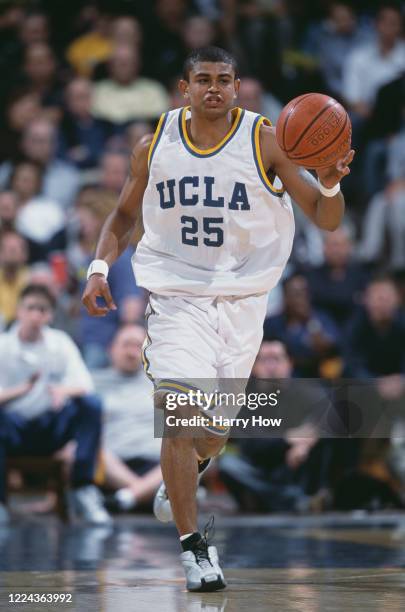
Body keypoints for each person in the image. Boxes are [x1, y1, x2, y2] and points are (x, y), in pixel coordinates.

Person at [81, 47, 353, 591]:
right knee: (178, 416)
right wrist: (98, 268)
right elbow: (126, 214)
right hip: (177, 299)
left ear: (236, 86)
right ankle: (193, 548)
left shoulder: (267, 140)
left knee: (211, 435)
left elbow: (326, 219)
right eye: (202, 79)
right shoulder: (154, 143)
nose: (213, 88)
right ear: (184, 87)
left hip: (245, 303)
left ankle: (193, 466)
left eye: (223, 80)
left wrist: (328, 180)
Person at [0, 284, 111, 526]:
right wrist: (22, 390)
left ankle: (83, 488)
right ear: (19, 311)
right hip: (12, 430)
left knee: (91, 405)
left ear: (50, 315)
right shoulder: (3, 345)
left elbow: (85, 386)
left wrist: (63, 390)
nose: (36, 315)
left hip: (50, 428)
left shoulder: (59, 342)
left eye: (43, 309)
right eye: (31, 308)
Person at [92, 324, 162, 511]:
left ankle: (127, 497)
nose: (131, 352)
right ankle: (145, 495)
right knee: (81, 447)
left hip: (157, 464)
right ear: (111, 348)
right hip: (111, 466)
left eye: (137, 345)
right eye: (126, 345)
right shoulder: (91, 383)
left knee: (196, 448)